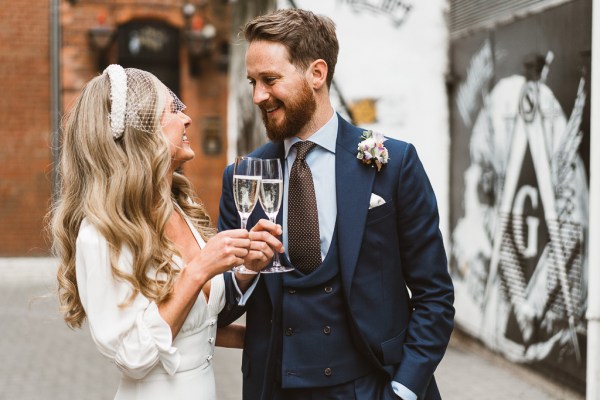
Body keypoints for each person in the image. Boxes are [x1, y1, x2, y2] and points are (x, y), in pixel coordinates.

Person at [217, 8, 455, 400]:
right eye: (253, 82)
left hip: (372, 386)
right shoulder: (244, 178)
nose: (259, 95)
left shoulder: (394, 165)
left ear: (317, 74)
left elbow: (434, 296)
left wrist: (404, 389)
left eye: (270, 80)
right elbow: (220, 310)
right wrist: (244, 272)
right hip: (276, 388)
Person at [50, 65, 281, 400]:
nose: (186, 118)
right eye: (172, 110)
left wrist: (248, 272)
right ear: (142, 131)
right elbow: (134, 356)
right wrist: (201, 267)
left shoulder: (177, 207)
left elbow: (193, 325)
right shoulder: (101, 232)